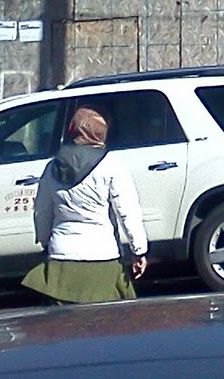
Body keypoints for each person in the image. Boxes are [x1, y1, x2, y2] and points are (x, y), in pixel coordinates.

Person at [21, 107, 148, 304]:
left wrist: (46, 242)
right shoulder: (111, 165)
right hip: (102, 255)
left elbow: (42, 211)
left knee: (63, 327)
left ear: (72, 131)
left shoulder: (53, 167)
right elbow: (127, 211)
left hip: (61, 257)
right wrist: (138, 250)